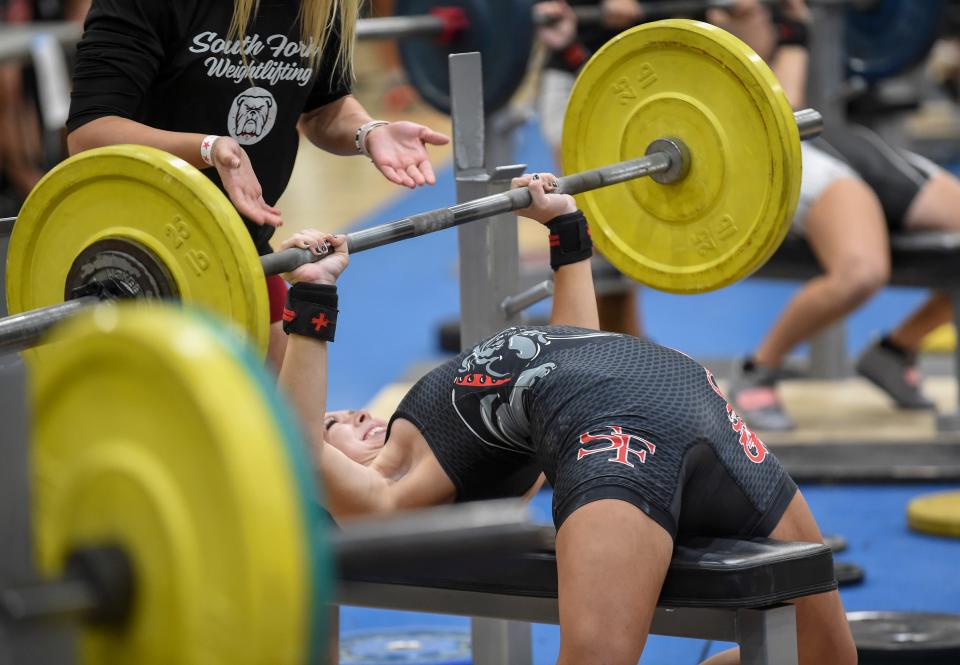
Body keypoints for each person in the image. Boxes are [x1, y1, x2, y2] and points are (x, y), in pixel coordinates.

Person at [275, 175, 857, 665]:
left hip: (687, 393)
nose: (352, 413)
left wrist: (566, 232)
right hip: (623, 425)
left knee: (829, 658)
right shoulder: (392, 487)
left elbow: (570, 342)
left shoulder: (498, 459)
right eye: (336, 428)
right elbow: (295, 443)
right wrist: (314, 301)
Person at [64, 0, 449, 368]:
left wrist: (368, 132)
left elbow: (324, 106)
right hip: (137, 257)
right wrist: (208, 148)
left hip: (238, 246)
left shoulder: (323, 6)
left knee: (290, 427)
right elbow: (90, 132)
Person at [710, 0, 956, 429]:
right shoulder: (705, 35)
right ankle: (757, 370)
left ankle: (894, 353)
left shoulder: (784, 20)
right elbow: (780, 108)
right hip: (778, 152)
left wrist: (791, 23)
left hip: (838, 140)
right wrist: (791, 28)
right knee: (861, 271)